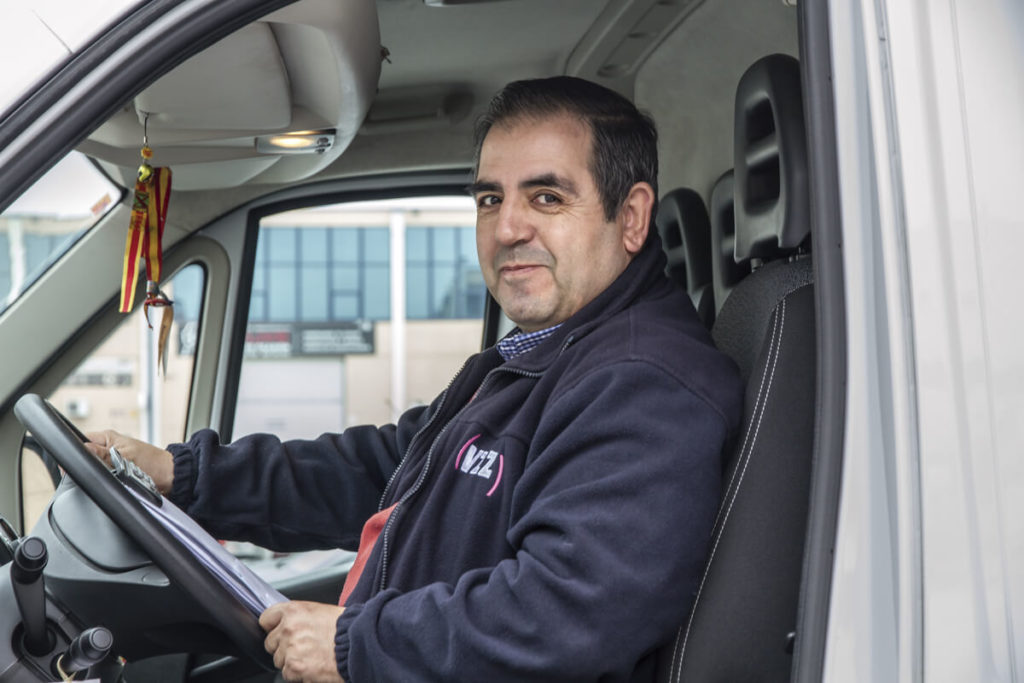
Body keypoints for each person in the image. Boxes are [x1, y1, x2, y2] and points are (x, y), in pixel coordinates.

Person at [87, 76, 743, 683]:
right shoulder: (541, 355)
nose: (507, 228)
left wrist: (355, 645)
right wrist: (183, 476)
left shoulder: (644, 383)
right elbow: (388, 468)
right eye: (490, 199)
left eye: (547, 197)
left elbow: (570, 610)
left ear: (630, 218)